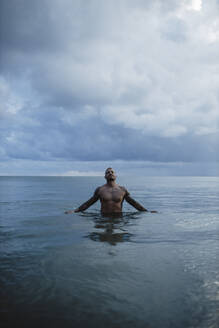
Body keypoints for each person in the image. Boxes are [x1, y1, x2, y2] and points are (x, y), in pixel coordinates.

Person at [65, 168, 157, 215]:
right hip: (103, 218)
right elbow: (88, 204)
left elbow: (134, 203)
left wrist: (147, 211)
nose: (110, 173)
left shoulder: (122, 190)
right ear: (105, 176)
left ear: (115, 176)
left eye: (112, 172)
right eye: (108, 172)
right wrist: (75, 211)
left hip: (119, 219)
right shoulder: (100, 190)